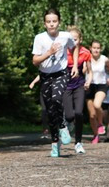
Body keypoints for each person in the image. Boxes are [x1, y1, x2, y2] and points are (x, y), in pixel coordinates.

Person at [31, 9, 76, 158]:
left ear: (59, 22)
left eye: (54, 21)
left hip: (61, 74)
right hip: (45, 76)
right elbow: (35, 61)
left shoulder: (65, 36)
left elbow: (74, 48)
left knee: (57, 98)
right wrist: (49, 53)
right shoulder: (40, 38)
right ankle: (55, 143)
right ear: (44, 24)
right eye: (48, 22)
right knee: (50, 111)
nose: (51, 24)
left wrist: (75, 66)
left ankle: (63, 126)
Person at [62, 27, 92, 155]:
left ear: (80, 40)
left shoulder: (85, 52)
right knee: (69, 116)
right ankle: (68, 123)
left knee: (79, 113)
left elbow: (90, 71)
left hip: (79, 85)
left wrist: (88, 81)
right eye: (70, 39)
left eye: (75, 39)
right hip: (66, 86)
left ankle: (78, 142)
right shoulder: (63, 51)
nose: (73, 42)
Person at [85, 40, 109, 144]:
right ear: (90, 48)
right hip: (89, 86)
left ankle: (100, 123)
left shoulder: (104, 59)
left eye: (98, 48)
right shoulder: (87, 58)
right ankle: (95, 135)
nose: (96, 50)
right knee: (92, 115)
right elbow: (83, 70)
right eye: (94, 48)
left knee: (97, 105)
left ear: (100, 49)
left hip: (101, 85)